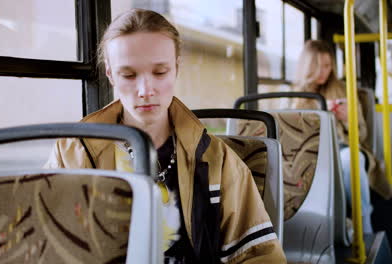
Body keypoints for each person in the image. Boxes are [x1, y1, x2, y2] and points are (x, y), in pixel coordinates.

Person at [45, 9, 286, 263]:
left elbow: (259, 256)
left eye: (160, 72)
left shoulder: (217, 159)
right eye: (129, 75)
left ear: (176, 69)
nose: (145, 90)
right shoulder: (72, 153)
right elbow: (50, 247)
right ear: (110, 75)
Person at [292, 40, 392, 234]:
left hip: (343, 147)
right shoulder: (297, 96)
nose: (324, 72)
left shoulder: (344, 90)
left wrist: (347, 119)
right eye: (318, 66)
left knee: (350, 160)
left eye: (328, 66)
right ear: (308, 67)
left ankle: (364, 224)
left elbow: (362, 135)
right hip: (311, 153)